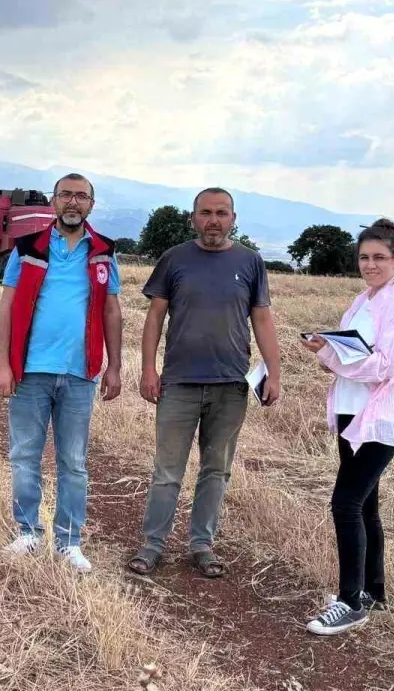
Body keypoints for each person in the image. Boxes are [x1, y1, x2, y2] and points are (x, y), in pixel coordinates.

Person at [127, 188, 282, 579]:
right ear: (193, 218)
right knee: (168, 471)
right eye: (206, 212)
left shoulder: (250, 262)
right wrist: (148, 370)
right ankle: (153, 545)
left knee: (216, 470)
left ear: (233, 219)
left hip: (231, 385)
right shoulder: (174, 259)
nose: (214, 220)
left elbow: (262, 319)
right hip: (179, 383)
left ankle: (201, 545)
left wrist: (274, 373)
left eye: (222, 213)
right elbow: (155, 317)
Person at [0, 173, 123, 573]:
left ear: (91, 205)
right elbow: (6, 308)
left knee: (74, 462)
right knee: (24, 456)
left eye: (81, 196)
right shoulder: (27, 249)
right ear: (53, 201)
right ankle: (28, 533)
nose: (73, 202)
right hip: (30, 372)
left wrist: (115, 367)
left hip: (80, 375)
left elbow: (112, 311)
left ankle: (69, 542)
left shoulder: (103, 252)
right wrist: (2, 364)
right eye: (65, 194)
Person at [300, 218, 394, 636]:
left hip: (379, 420)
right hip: (350, 412)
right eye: (364, 257)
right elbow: (349, 355)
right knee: (366, 505)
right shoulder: (361, 301)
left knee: (345, 504)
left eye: (379, 258)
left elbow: (385, 365)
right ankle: (373, 592)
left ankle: (350, 603)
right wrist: (326, 346)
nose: (370, 265)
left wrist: (332, 356)